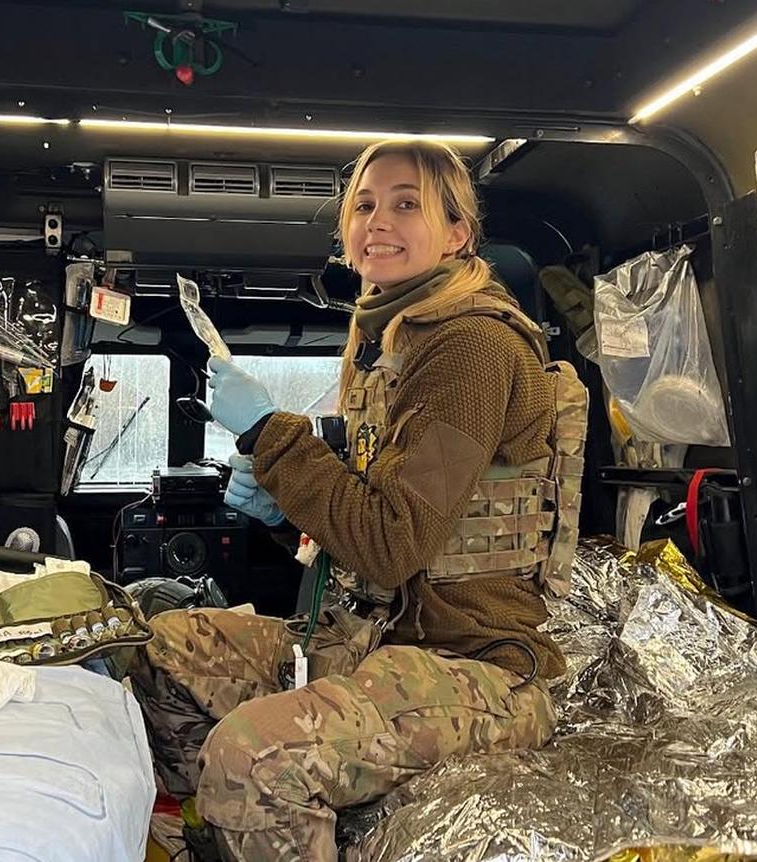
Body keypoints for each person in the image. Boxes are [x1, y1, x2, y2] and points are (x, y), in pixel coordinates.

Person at [128, 140, 588, 861]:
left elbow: (392, 542)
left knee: (252, 755)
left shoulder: (472, 348)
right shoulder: (389, 340)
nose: (379, 220)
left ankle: (250, 805)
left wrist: (270, 434)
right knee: (159, 651)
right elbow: (365, 540)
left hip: (478, 668)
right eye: (365, 205)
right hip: (375, 641)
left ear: (458, 233)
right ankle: (220, 836)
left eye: (408, 205)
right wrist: (288, 519)